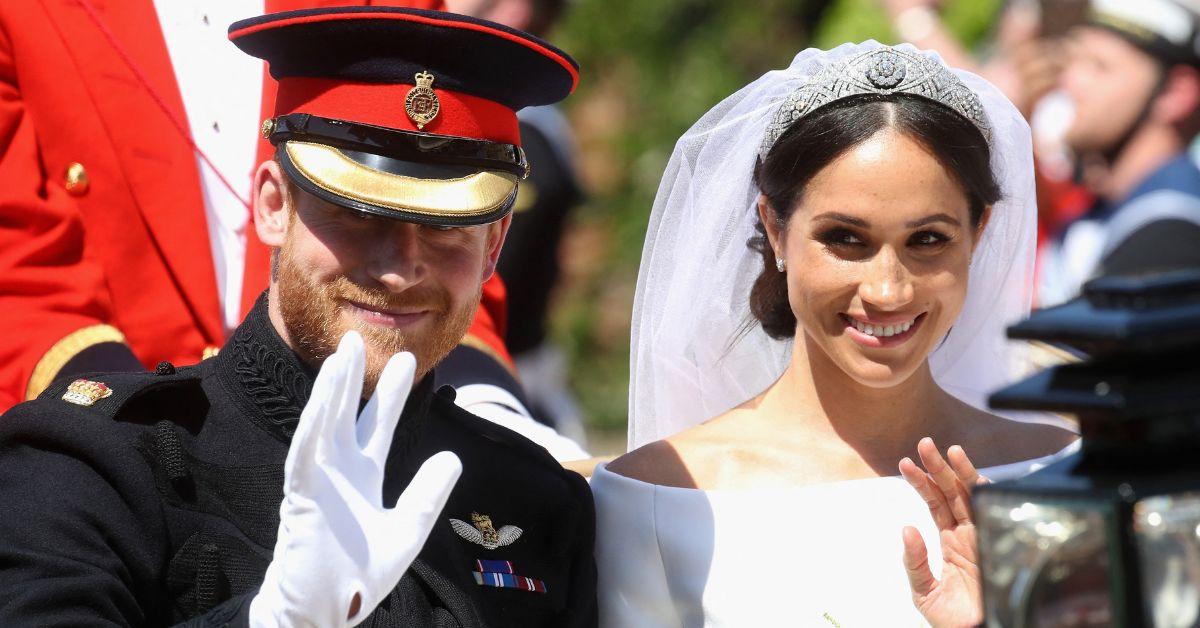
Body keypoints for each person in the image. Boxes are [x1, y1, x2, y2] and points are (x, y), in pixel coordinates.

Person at [0, 7, 596, 626]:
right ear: (273, 206)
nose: (401, 267)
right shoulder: (84, 468)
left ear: (494, 244)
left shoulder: (537, 503)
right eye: (358, 213)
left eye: (446, 226)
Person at [591, 42, 1078, 626]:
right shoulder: (659, 496)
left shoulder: (1052, 478)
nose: (888, 290)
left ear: (979, 233)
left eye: (928, 240)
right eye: (846, 239)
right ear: (775, 229)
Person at [0, 0, 524, 430]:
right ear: (270, 201)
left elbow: (440, 214)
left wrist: (488, 415)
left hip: (360, 434)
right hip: (95, 430)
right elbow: (16, 265)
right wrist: (134, 429)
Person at [1038, 0, 1200, 305]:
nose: (1070, 81)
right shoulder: (1105, 210)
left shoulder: (1171, 233)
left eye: (1100, 66)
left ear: (1174, 93)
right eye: (1073, 62)